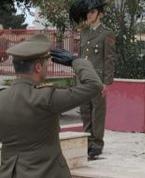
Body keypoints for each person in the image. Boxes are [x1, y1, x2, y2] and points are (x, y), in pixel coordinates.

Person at [0, 34, 103, 178]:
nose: (47, 66)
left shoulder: (2, 98)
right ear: (37, 67)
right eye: (46, 63)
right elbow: (94, 85)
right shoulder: (46, 98)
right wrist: (76, 61)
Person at [69, 0, 115, 159]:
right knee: (85, 111)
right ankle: (87, 141)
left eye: (93, 12)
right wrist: (77, 78)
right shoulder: (84, 33)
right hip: (83, 80)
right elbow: (80, 58)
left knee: (98, 112)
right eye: (87, 12)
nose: (89, 15)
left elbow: (109, 59)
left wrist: (106, 83)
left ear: (100, 14)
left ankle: (97, 144)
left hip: (97, 80)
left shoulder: (107, 33)